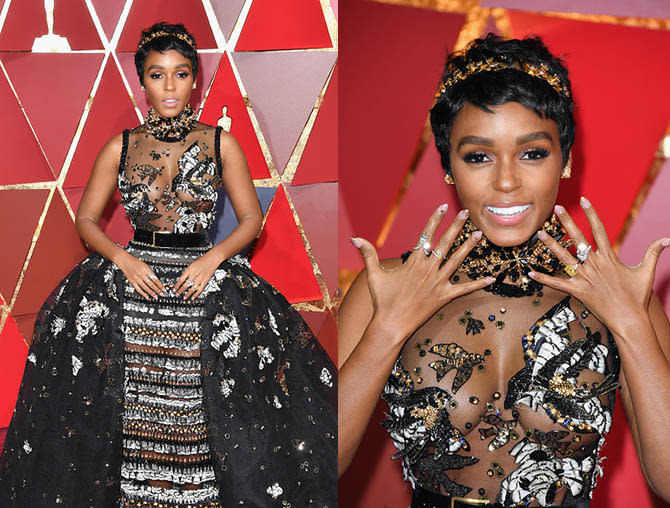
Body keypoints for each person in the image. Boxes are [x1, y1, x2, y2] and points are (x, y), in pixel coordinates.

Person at [0, 22, 336, 508]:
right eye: (158, 75)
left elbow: (251, 221)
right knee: (128, 414)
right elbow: (87, 220)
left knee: (202, 416)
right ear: (143, 81)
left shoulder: (221, 144)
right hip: (135, 284)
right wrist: (122, 259)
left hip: (202, 286)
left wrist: (212, 260)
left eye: (180, 74)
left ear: (195, 79)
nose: (170, 86)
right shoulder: (121, 146)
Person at [338, 34, 670, 507]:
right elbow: (315, 466)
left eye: (533, 152)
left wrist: (631, 323)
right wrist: (387, 329)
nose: (507, 181)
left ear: (566, 159)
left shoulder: (620, 295)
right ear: (449, 165)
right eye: (478, 156)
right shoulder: (386, 289)